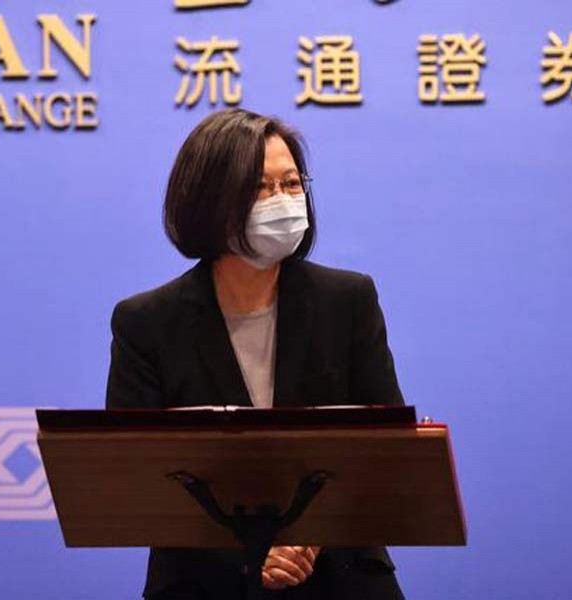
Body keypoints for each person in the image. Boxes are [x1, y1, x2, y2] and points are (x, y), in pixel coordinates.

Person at [105, 108, 406, 600]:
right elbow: (139, 482)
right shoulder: (146, 323)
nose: (284, 201)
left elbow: (388, 448)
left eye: (292, 184)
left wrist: (308, 538)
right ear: (209, 201)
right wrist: (251, 552)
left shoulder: (348, 300)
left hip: (339, 571)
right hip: (203, 582)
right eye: (262, 188)